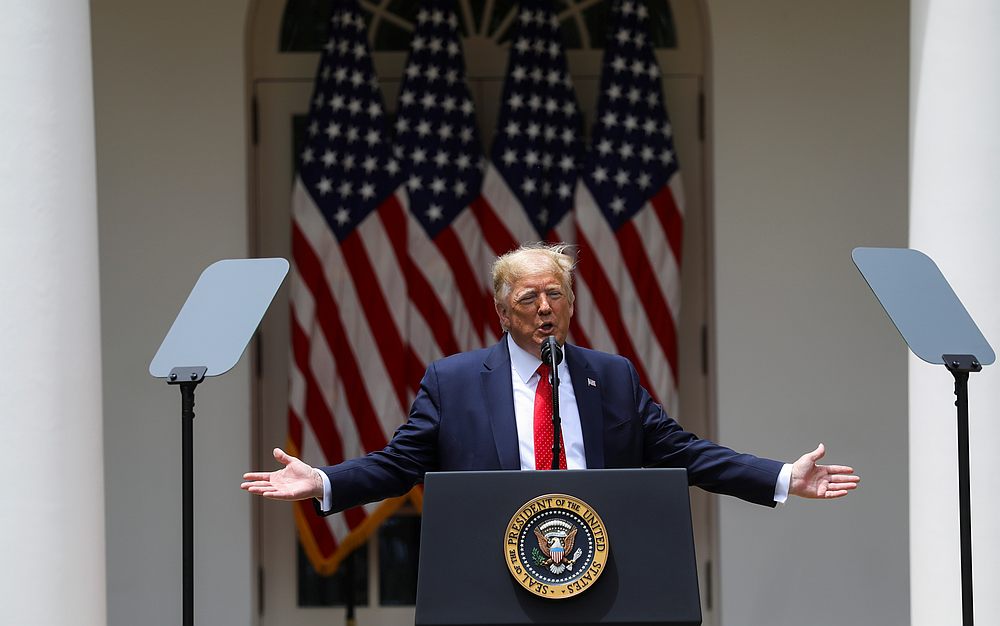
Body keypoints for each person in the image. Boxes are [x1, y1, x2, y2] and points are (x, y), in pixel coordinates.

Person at [242, 243, 859, 514]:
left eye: (555, 295)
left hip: (599, 566)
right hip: (496, 572)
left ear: (571, 305)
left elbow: (682, 452)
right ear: (502, 310)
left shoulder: (610, 377)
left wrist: (780, 476)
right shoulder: (453, 382)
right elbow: (400, 464)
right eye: (529, 296)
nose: (544, 307)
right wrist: (323, 480)